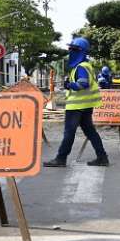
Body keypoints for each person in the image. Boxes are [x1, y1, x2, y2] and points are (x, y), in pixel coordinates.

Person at [44, 37, 109, 167]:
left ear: (82, 52)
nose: (71, 52)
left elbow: (83, 84)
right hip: (85, 106)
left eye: (74, 49)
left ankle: (61, 159)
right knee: (90, 132)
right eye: (71, 49)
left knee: (69, 132)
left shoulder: (81, 67)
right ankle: (102, 157)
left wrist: (70, 85)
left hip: (76, 107)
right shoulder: (86, 65)